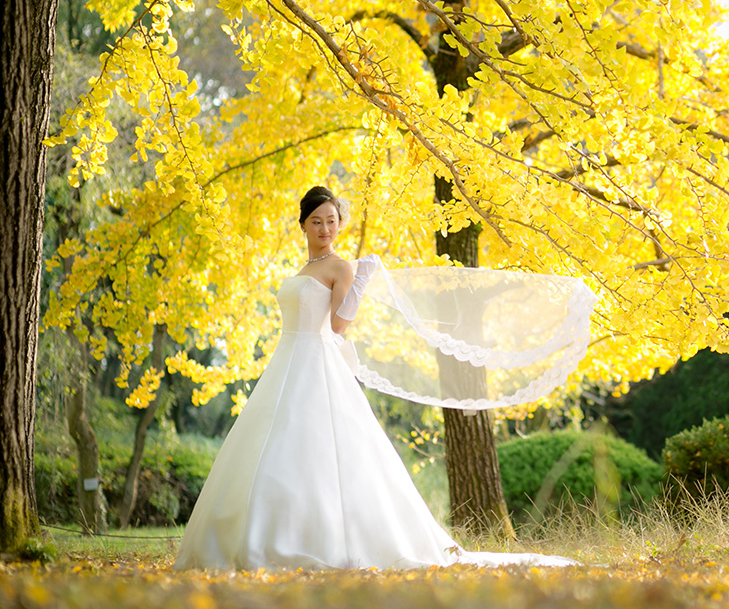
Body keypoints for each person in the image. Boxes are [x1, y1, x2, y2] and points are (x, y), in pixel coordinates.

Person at [174, 186, 574, 570]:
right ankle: (258, 535)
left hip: (315, 359)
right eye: (316, 221)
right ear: (303, 225)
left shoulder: (339, 266)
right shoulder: (306, 267)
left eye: (331, 221)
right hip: (286, 360)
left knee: (316, 445)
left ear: (339, 224)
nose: (325, 229)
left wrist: (359, 283)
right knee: (271, 445)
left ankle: (319, 540)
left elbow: (338, 325)